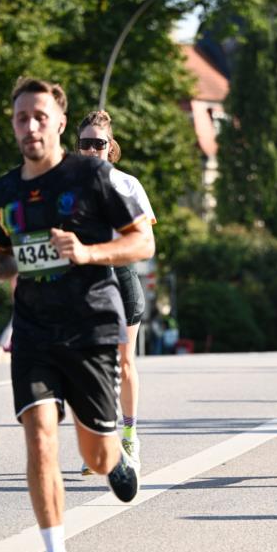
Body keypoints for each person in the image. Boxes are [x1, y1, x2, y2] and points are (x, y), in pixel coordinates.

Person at [0, 77, 154, 552]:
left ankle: (115, 458)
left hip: (90, 326)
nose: (29, 127)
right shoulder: (4, 190)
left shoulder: (93, 176)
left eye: (39, 117)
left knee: (95, 457)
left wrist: (88, 252)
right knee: (39, 437)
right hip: (32, 329)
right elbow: (7, 255)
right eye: (20, 118)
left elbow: (142, 240)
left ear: (58, 123)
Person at [76, 109, 156, 474]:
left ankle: (129, 438)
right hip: (83, 281)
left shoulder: (127, 184)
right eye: (86, 144)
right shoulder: (65, 189)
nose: (92, 150)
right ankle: (99, 441)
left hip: (120, 277)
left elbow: (145, 242)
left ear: (111, 147)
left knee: (123, 363)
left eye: (99, 144)